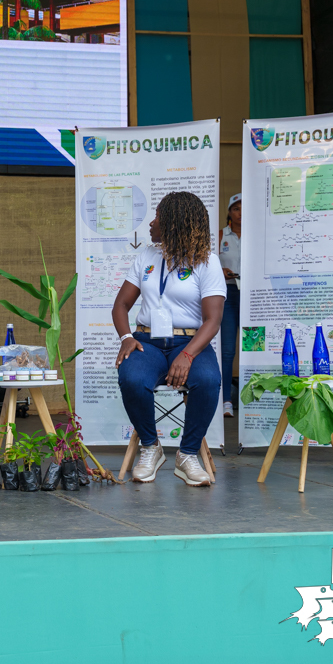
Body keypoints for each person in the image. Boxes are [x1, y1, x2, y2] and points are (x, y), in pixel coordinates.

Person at [112, 191, 226, 487]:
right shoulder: (146, 256)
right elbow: (121, 305)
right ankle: (151, 447)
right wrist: (126, 337)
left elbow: (213, 320)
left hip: (190, 343)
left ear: (174, 223)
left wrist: (187, 355)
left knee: (209, 380)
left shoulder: (207, 262)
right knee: (132, 378)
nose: (151, 223)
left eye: (158, 218)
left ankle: (187, 454)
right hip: (147, 342)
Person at [218, 193, 242, 417]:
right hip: (228, 292)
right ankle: (226, 401)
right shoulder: (220, 236)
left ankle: (249, 400)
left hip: (253, 295)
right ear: (229, 212)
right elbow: (208, 262)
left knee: (252, 348)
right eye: (236, 208)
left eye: (244, 208)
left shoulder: (257, 234)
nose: (240, 212)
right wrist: (221, 270)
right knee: (227, 350)